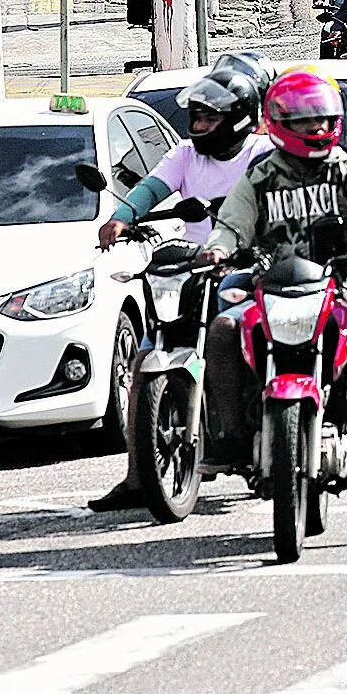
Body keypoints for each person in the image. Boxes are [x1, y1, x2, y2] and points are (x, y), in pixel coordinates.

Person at [201, 71, 347, 541]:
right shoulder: (260, 175)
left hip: (344, 294)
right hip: (267, 290)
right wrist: (218, 247)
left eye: (323, 121)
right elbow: (232, 223)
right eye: (304, 122)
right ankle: (229, 435)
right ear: (278, 122)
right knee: (222, 331)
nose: (315, 130)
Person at [87, 65, 272, 513]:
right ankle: (138, 476)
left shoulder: (263, 153)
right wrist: (123, 217)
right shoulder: (187, 155)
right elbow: (152, 186)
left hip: (249, 267)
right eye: (198, 117)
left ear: (238, 117)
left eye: (209, 117)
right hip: (194, 269)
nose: (199, 125)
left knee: (251, 337)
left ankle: (268, 435)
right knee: (147, 353)